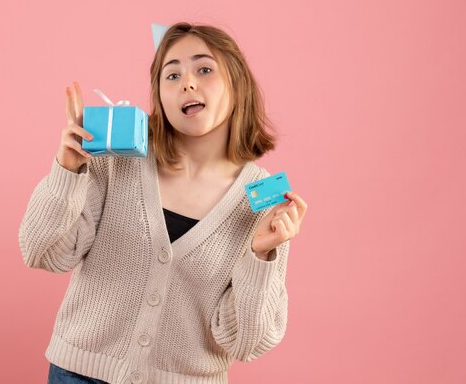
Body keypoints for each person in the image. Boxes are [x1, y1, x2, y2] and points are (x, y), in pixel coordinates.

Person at [18, 22, 308, 384]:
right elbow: (41, 252)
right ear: (159, 96)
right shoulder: (115, 160)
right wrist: (67, 170)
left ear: (237, 84)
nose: (187, 82)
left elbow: (246, 343)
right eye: (172, 75)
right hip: (79, 374)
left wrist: (262, 255)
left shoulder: (263, 201)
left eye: (204, 69)